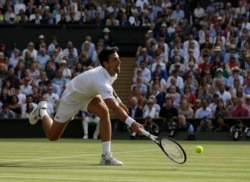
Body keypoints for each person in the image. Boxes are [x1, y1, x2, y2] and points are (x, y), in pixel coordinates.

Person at [29, 47, 143, 166]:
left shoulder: (112, 71)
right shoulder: (101, 81)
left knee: (104, 111)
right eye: (115, 60)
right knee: (53, 136)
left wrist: (119, 101)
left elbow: (110, 88)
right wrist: (132, 124)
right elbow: (114, 107)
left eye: (118, 58)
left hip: (88, 95)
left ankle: (106, 156)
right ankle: (42, 111)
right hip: (71, 99)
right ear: (106, 63)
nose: (119, 62)